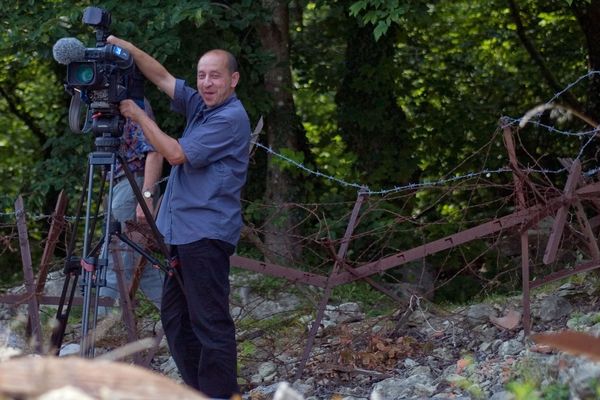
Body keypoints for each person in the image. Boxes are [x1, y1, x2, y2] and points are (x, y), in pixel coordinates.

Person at [106, 34, 251, 399]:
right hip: (183, 233)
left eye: (215, 76)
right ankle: (197, 390)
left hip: (205, 234)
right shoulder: (203, 107)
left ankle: (220, 394)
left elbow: (173, 153)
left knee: (209, 322)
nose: (206, 83)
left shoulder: (230, 117)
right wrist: (123, 47)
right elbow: (163, 78)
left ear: (233, 80)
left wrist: (138, 115)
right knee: (176, 320)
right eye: (202, 75)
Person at [100, 97, 164, 312]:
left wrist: (145, 196)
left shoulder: (131, 101)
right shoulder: (102, 104)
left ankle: (97, 328)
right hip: (118, 185)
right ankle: (179, 318)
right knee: (139, 263)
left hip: (133, 182)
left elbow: (155, 150)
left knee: (116, 258)